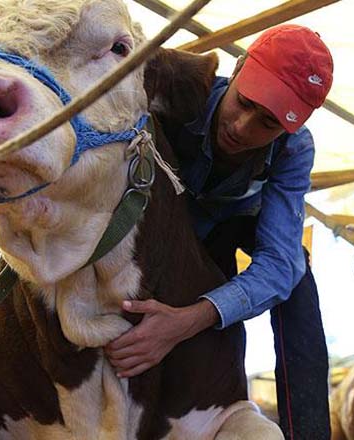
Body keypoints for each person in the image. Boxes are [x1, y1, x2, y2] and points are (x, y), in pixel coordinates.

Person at [106, 24, 333, 439]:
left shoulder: (293, 149)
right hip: (144, 224)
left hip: (218, 238)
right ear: (239, 67)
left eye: (268, 123)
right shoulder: (174, 86)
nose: (243, 128)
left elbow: (278, 264)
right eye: (244, 102)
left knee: (296, 270)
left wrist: (190, 320)